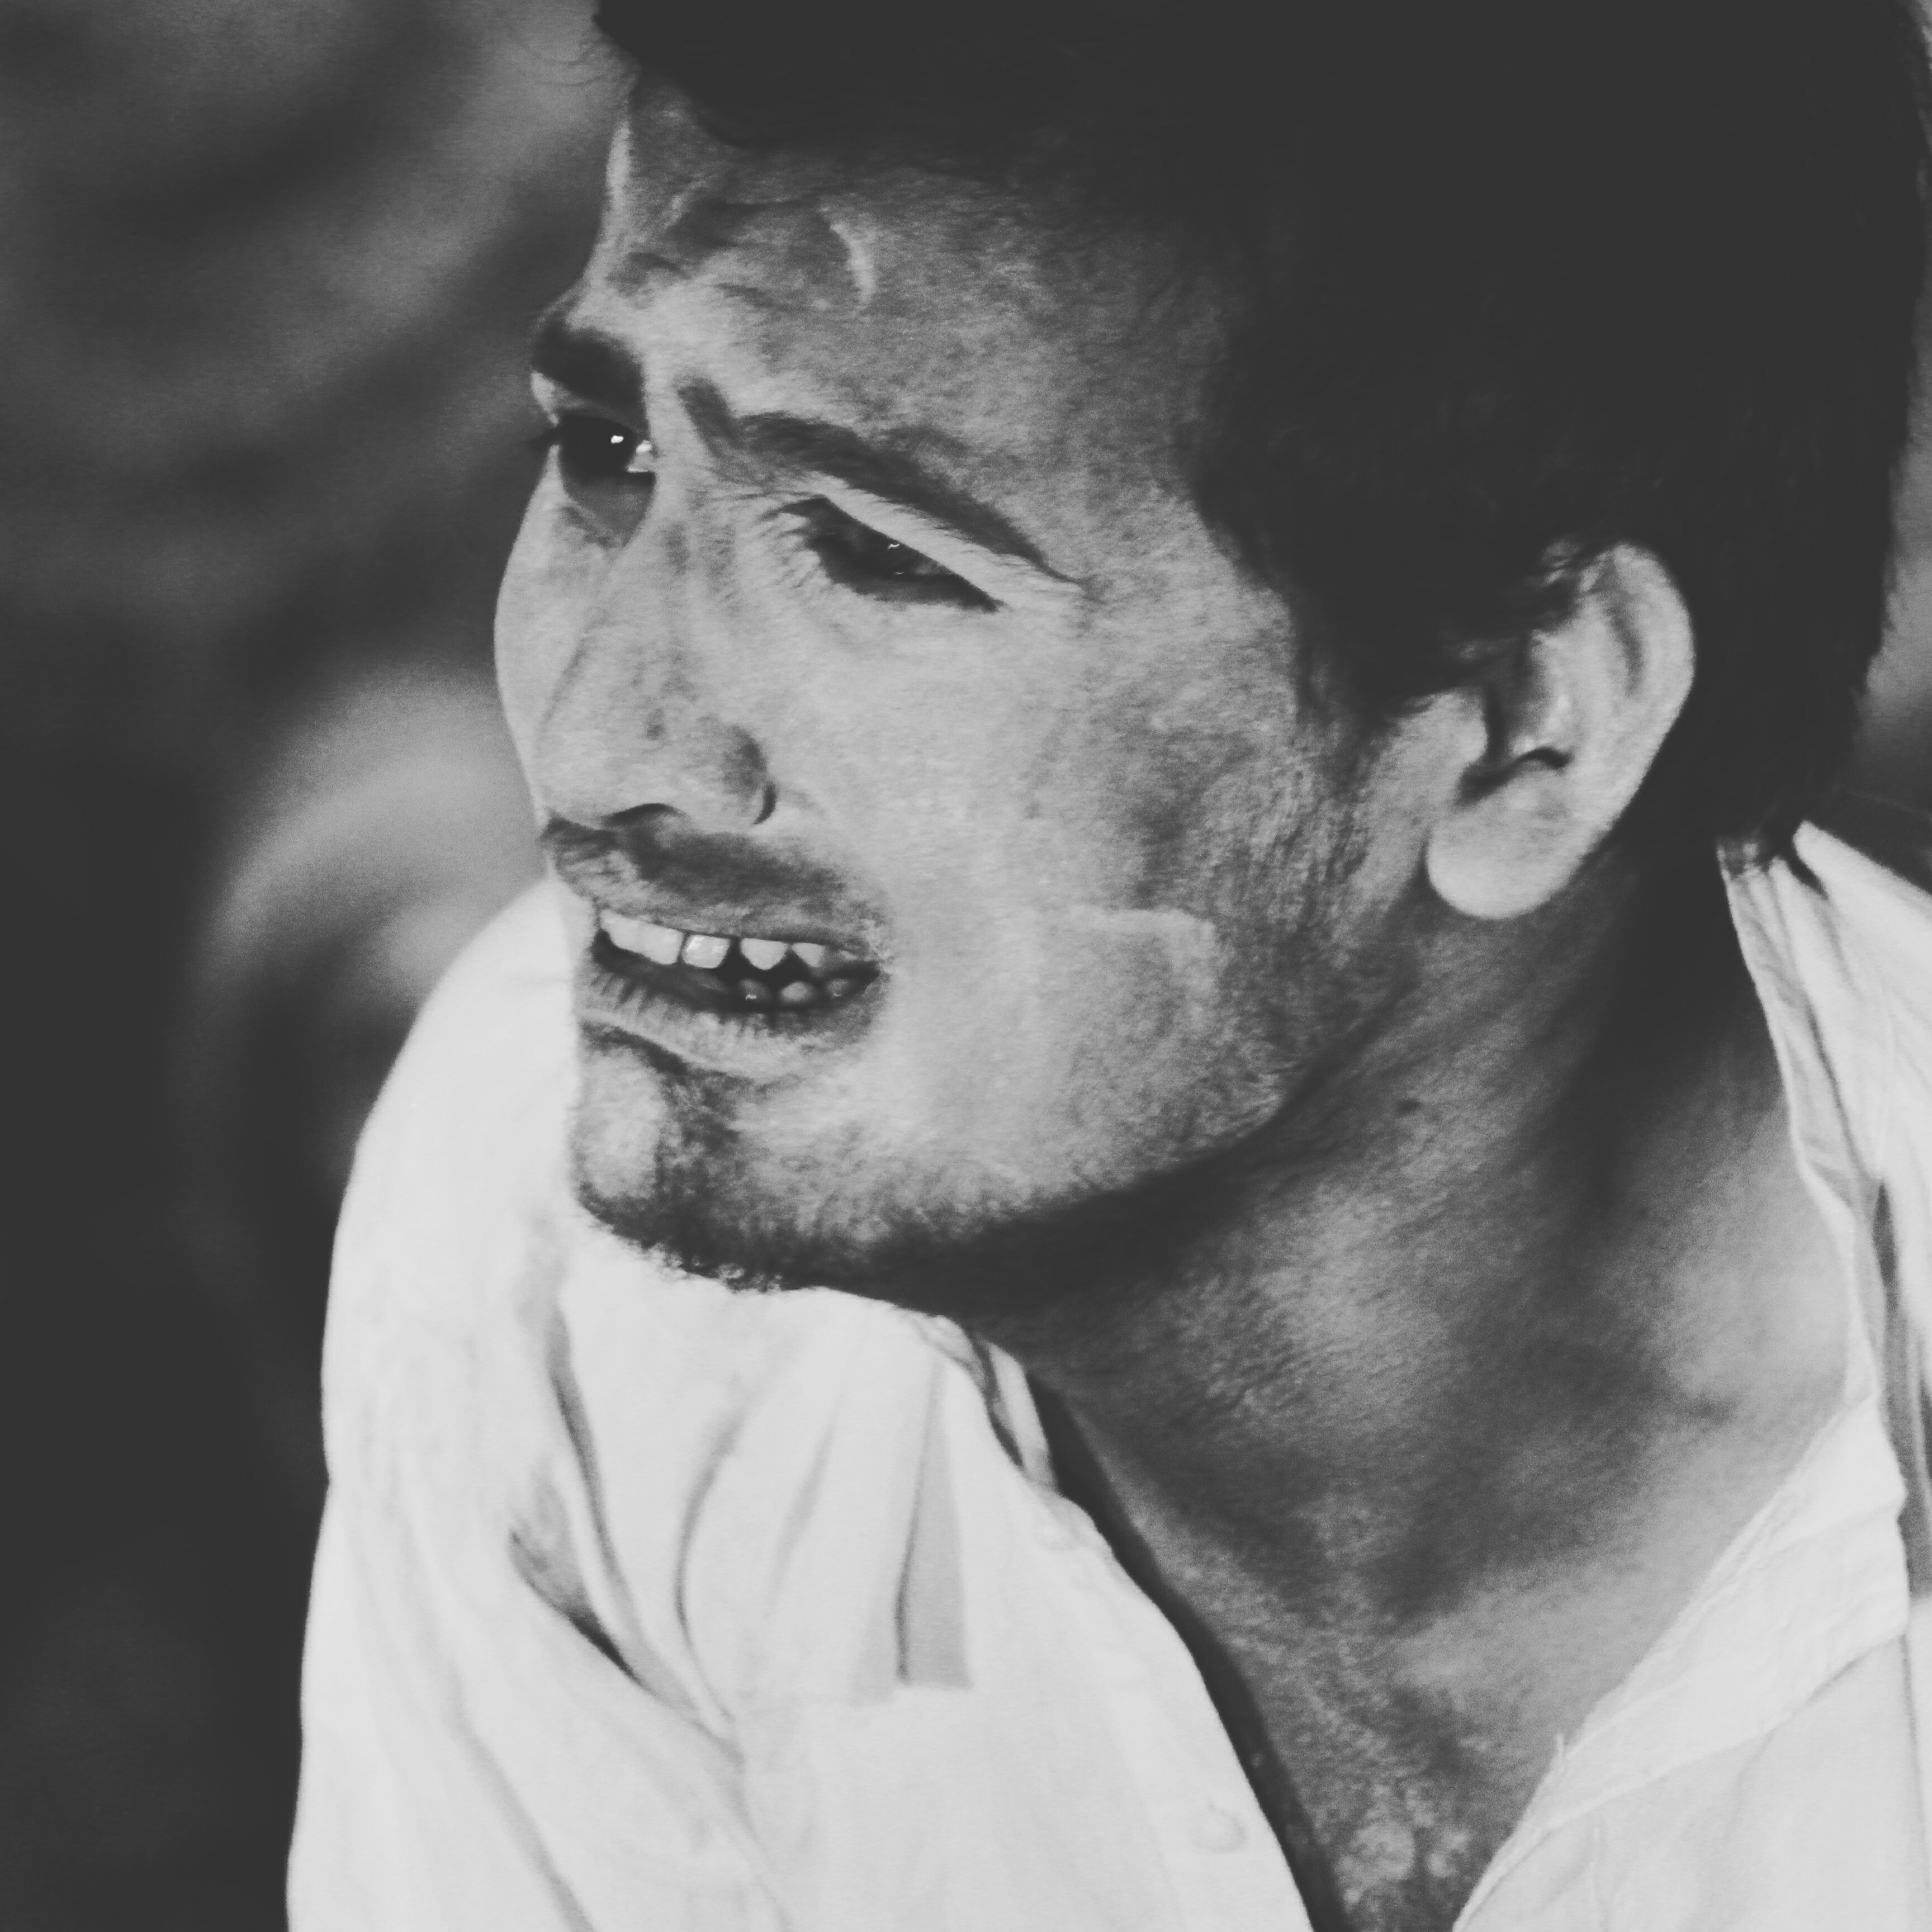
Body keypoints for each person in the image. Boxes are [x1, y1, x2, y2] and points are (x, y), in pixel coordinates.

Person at [288, 3, 1932, 1926]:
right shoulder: (554, 1238)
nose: (596, 744)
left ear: (1517, 731)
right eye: (607, 449)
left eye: (877, 554)